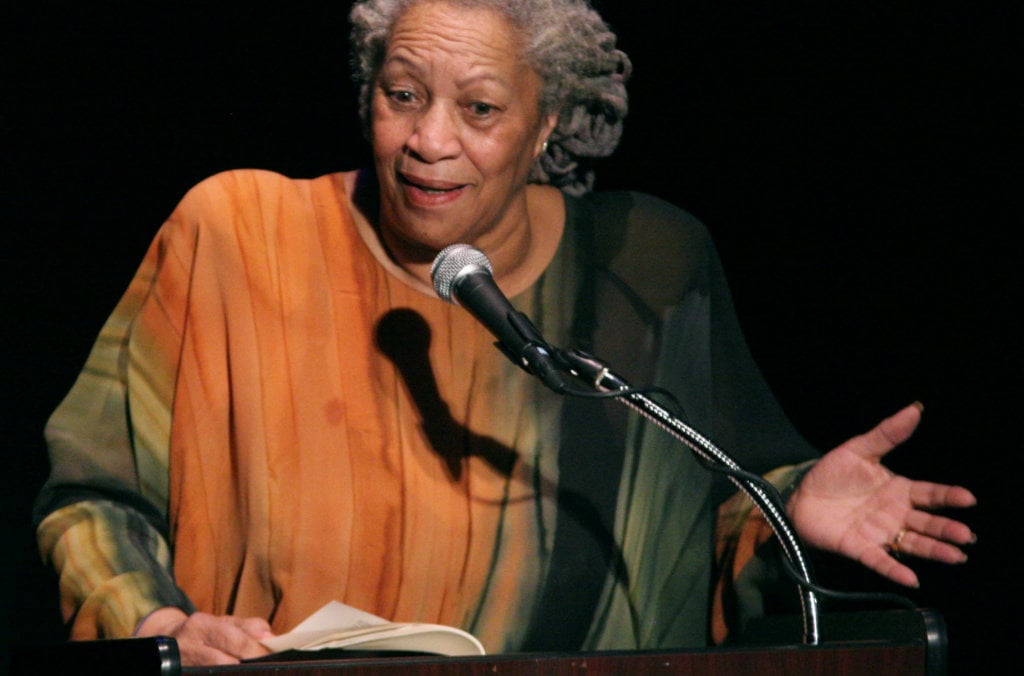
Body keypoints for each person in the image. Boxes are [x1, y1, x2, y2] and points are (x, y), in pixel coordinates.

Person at [33, 0, 977, 667]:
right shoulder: (238, 236)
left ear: (547, 120)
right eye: (402, 94)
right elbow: (93, 494)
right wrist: (155, 626)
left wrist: (787, 509)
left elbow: (695, 524)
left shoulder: (647, 268)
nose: (429, 140)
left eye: (480, 108)